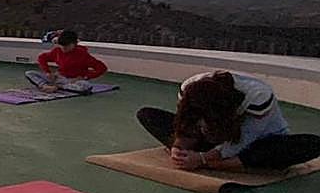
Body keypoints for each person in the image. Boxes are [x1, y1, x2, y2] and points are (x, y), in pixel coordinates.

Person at [136, 71, 320, 171]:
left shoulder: (258, 96)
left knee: (311, 144)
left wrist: (202, 159)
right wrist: (179, 147)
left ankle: (222, 163)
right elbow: (186, 124)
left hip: (254, 144)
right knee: (147, 114)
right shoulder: (190, 89)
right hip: (210, 140)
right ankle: (213, 160)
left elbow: (245, 138)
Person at [25, 30, 106, 93]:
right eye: (61, 45)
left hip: (73, 81)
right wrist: (48, 72)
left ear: (74, 44)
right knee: (30, 73)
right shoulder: (57, 51)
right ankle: (45, 86)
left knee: (85, 86)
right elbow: (42, 58)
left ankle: (57, 87)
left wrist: (85, 77)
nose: (63, 48)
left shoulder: (82, 54)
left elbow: (102, 68)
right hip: (59, 78)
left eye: (66, 46)